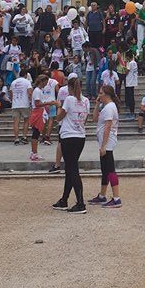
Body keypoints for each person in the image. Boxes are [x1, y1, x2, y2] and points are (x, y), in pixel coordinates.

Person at [51, 77, 89, 213]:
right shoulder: (86, 100)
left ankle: (80, 203)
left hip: (68, 136)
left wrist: (58, 106)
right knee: (70, 168)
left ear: (70, 88)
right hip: (80, 136)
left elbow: (59, 117)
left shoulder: (69, 99)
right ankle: (64, 199)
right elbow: (85, 119)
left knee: (72, 169)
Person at [88, 86, 121, 207]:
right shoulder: (106, 107)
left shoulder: (110, 107)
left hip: (108, 142)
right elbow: (94, 119)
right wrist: (97, 104)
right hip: (105, 141)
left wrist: (103, 146)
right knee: (105, 170)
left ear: (106, 94)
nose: (99, 95)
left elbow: (108, 126)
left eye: (101, 93)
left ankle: (116, 198)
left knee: (110, 169)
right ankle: (102, 195)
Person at [10, 70, 32, 145]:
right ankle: (24, 137)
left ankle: (16, 138)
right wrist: (31, 101)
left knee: (16, 122)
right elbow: (29, 93)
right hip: (25, 104)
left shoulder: (13, 82)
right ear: (25, 75)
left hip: (15, 104)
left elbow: (11, 93)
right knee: (26, 121)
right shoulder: (27, 82)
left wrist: (13, 101)